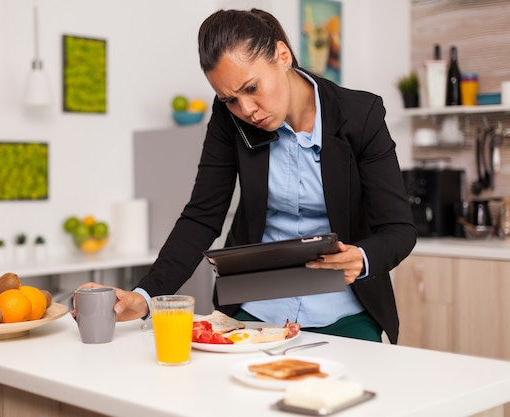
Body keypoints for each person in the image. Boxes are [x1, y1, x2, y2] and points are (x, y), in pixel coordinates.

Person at [78, 8, 416, 344]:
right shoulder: (230, 119)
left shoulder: (361, 115)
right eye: (230, 100)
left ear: (282, 55)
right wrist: (146, 295)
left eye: (252, 88)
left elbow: (399, 229)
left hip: (345, 312)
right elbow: (201, 217)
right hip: (255, 311)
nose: (246, 110)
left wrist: (362, 257)